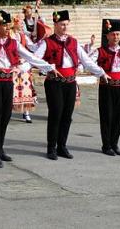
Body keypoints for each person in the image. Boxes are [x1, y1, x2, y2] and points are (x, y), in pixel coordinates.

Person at [0, 11, 58, 168]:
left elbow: (30, 56)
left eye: (8, 25)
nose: (7, 28)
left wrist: (48, 67)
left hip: (8, 81)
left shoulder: (13, 43)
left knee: (7, 115)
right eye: (4, 25)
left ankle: (0, 148)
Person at [34, 10, 110, 160]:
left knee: (67, 116)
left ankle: (62, 146)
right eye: (62, 24)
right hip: (54, 83)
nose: (65, 27)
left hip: (70, 83)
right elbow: (35, 59)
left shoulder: (73, 42)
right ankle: (51, 147)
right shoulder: (47, 42)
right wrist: (47, 68)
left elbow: (86, 61)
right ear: (55, 25)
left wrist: (100, 72)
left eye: (66, 24)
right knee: (56, 114)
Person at [90, 19, 120, 156]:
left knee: (118, 116)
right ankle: (106, 145)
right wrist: (99, 72)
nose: (116, 37)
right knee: (107, 116)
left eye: (118, 34)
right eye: (113, 34)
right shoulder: (100, 51)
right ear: (107, 36)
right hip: (106, 87)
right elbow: (88, 62)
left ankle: (114, 143)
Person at [10, 15, 39, 123]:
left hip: (23, 65)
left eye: (23, 23)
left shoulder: (23, 36)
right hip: (12, 65)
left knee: (26, 89)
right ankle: (7, 111)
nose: (22, 25)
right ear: (15, 23)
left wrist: (43, 42)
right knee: (11, 90)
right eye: (20, 23)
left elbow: (32, 47)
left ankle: (26, 112)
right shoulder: (10, 35)